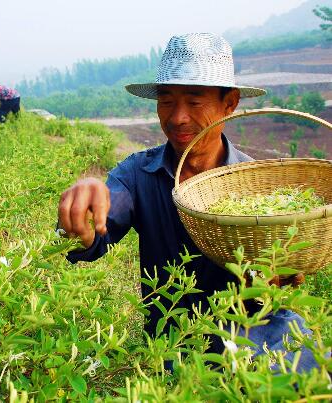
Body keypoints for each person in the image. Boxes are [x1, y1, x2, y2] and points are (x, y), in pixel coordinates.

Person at [57, 33, 320, 371]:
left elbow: (280, 275)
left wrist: (281, 274)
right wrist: (84, 212)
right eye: (166, 101)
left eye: (195, 102)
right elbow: (98, 230)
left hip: (255, 339)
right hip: (175, 346)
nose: (178, 117)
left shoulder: (255, 186)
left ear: (230, 103)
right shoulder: (138, 173)